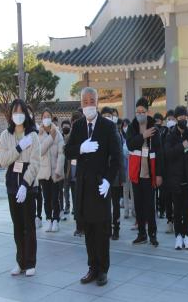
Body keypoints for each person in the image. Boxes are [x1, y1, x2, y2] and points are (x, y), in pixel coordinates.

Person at [65, 87, 120, 287]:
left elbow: (116, 158)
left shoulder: (107, 126)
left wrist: (108, 180)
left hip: (101, 185)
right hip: (84, 185)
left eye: (91, 101)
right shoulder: (78, 126)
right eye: (85, 101)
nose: (88, 104)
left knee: (102, 229)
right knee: (88, 228)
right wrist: (80, 148)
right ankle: (92, 267)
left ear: (96, 102)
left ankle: (103, 269)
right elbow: (67, 150)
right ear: (81, 104)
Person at [0, 99, 41, 277]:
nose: (18, 115)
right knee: (17, 225)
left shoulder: (33, 136)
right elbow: (3, 160)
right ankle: (20, 261)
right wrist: (18, 147)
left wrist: (25, 184)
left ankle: (30, 262)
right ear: (10, 115)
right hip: (11, 185)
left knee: (28, 226)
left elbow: (35, 162)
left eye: (20, 111)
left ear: (25, 114)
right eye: (14, 112)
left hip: (27, 186)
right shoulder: (5, 136)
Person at [126, 97, 163, 247]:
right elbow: (129, 144)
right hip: (136, 173)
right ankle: (141, 233)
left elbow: (159, 153)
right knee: (139, 205)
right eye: (138, 112)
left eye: (143, 111)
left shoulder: (154, 128)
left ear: (148, 112)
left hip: (150, 173)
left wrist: (159, 174)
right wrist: (142, 136)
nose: (140, 114)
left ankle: (152, 234)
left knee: (149, 205)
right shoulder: (132, 127)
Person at [165, 106, 188, 250]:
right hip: (175, 179)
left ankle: (187, 235)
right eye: (180, 117)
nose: (182, 120)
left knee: (187, 209)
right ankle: (178, 235)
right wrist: (182, 146)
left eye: (185, 117)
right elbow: (168, 154)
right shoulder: (170, 136)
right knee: (177, 209)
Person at [37, 108, 65, 233]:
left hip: (55, 172)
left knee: (55, 198)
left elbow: (61, 153)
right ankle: (48, 219)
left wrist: (59, 169)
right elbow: (40, 151)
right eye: (44, 116)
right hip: (43, 172)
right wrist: (50, 138)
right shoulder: (39, 134)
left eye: (48, 116)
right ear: (41, 119)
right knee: (46, 198)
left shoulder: (57, 133)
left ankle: (55, 220)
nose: (46, 118)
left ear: (52, 118)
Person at [101, 107, 125, 241]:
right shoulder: (97, 133)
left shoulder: (116, 133)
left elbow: (120, 156)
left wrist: (122, 176)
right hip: (102, 175)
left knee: (115, 203)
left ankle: (116, 227)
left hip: (114, 175)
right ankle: (106, 227)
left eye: (109, 115)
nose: (107, 117)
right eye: (104, 115)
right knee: (104, 203)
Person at [164, 110, 176, 233]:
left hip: (177, 172)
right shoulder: (163, 133)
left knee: (177, 198)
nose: (170, 121)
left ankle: (178, 219)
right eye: (169, 119)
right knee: (167, 198)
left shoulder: (179, 134)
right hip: (166, 172)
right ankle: (169, 220)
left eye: (173, 118)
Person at [153, 112, 167, 218]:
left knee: (162, 191)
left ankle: (162, 209)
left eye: (159, 120)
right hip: (153, 162)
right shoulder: (152, 131)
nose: (157, 122)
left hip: (163, 162)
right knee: (154, 190)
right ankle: (155, 209)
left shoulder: (166, 131)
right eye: (156, 120)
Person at [121, 119, 135, 219]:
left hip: (133, 169)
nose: (125, 128)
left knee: (133, 191)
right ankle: (126, 211)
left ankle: (133, 210)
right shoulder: (122, 139)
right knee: (125, 191)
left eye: (127, 126)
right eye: (124, 126)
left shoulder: (133, 139)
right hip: (125, 169)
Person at [61, 119, 72, 215]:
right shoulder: (60, 137)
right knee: (65, 189)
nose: (65, 128)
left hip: (70, 167)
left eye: (67, 126)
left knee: (72, 189)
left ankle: (73, 207)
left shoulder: (72, 138)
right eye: (64, 126)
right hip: (62, 168)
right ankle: (66, 206)